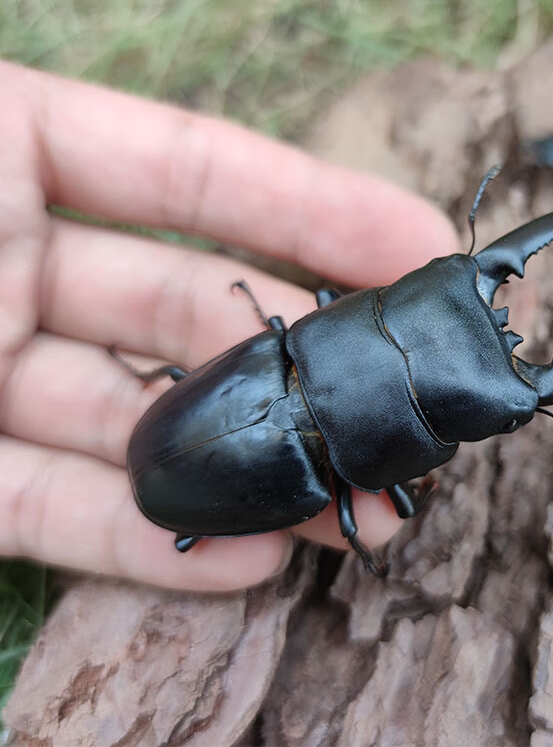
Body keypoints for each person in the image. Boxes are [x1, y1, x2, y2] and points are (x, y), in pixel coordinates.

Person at [0, 60, 459, 590]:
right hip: (175, 466)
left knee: (198, 369)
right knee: (355, 525)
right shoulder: (309, 469)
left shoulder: (275, 354)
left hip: (178, 455)